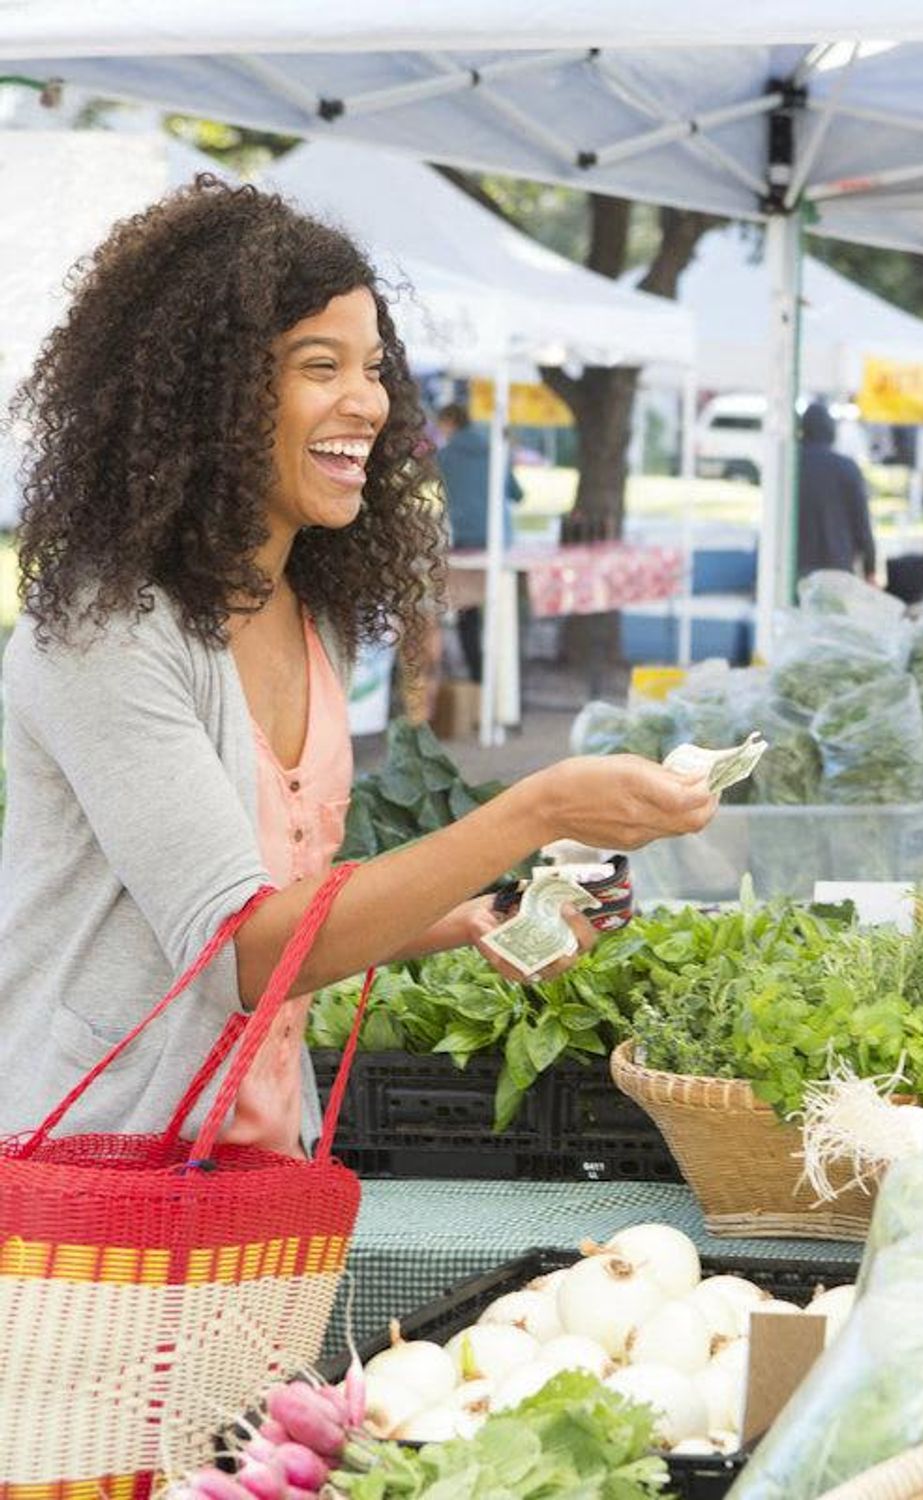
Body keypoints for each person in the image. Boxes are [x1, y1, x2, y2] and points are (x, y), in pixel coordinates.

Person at [0, 179, 719, 1153]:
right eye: (318, 365)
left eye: (374, 368)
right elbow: (244, 950)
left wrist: (475, 916)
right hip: (90, 1183)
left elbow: (299, 905)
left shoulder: (313, 619)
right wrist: (532, 811)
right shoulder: (106, 635)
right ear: (206, 394)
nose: (367, 403)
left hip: (256, 1166)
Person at [432, 401, 522, 683]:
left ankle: (477, 677)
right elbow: (517, 494)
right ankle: (507, 682)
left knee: (467, 610)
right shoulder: (496, 452)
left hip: (465, 542)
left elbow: (439, 493)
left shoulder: (445, 457)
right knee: (504, 610)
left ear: (449, 423)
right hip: (500, 541)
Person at [794, 401, 875, 583]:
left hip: (796, 564)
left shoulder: (790, 467)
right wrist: (870, 569)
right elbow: (862, 522)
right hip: (838, 565)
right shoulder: (847, 468)